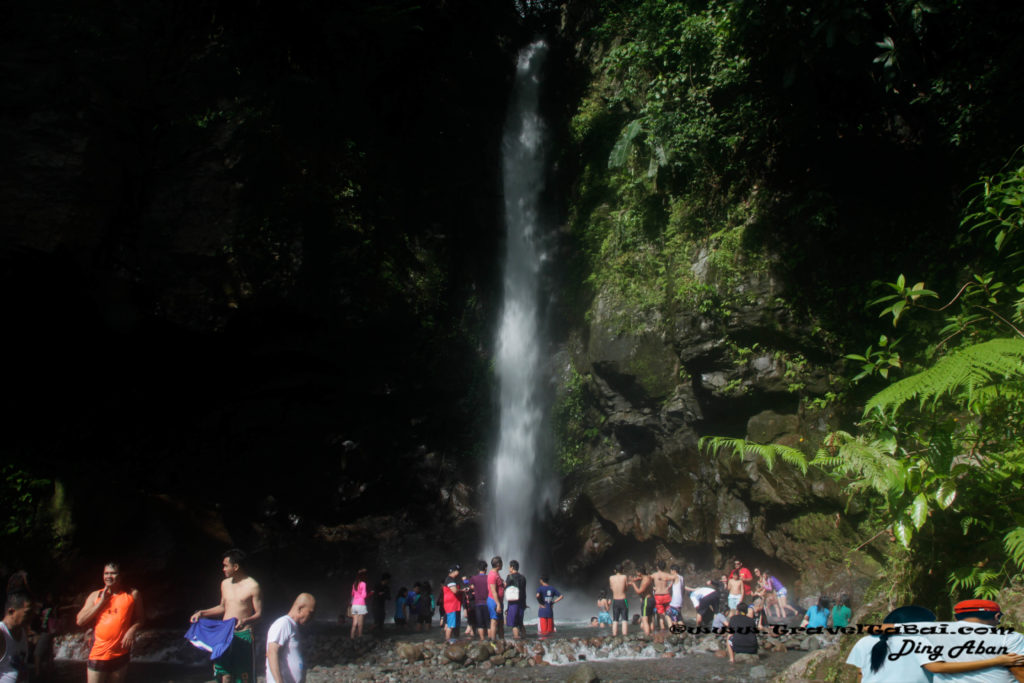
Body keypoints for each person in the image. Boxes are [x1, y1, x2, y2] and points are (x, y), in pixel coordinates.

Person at [845, 604, 1024, 683]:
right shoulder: (923, 639)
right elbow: (937, 668)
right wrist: (996, 661)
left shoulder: (865, 642)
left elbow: (862, 675)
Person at [190, 549, 263, 683]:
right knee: (224, 674)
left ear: (235, 567)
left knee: (243, 676)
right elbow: (222, 607)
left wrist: (246, 620)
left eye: (225, 565)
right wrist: (202, 613)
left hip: (243, 635)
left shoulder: (253, 586)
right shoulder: (225, 584)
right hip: (224, 634)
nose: (223, 569)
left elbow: (259, 614)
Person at [914, 599, 1024, 682]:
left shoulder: (930, 633)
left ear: (956, 617)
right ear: (996, 616)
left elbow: (935, 667)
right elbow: (1019, 672)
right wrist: (996, 661)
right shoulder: (1010, 637)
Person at [76, 563, 143, 683]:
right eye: (106, 573)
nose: (108, 576)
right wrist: (101, 603)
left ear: (120, 575)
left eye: (113, 573)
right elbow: (80, 621)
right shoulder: (95, 595)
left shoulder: (132, 594)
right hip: (98, 653)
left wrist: (132, 630)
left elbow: (141, 619)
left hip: (121, 652)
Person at [265, 593, 315, 683]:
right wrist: (279, 681)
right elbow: (272, 651)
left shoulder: (293, 627)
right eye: (310, 612)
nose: (311, 617)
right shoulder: (283, 623)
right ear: (300, 608)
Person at [1, 592, 31, 683]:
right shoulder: (1, 633)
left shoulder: (23, 631)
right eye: (27, 613)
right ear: (11, 612)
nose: (32, 616)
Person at [504, 560, 527, 640]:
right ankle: (524, 638)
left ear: (512, 567)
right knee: (520, 622)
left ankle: (516, 637)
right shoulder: (523, 577)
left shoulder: (509, 577)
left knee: (514, 623)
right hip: (521, 602)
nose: (509, 568)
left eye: (510, 567)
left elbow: (506, 589)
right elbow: (524, 591)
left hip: (513, 602)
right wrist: (525, 603)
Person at [630, 565, 654, 636]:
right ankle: (652, 634)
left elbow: (639, 591)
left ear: (639, 572)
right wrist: (636, 579)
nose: (636, 574)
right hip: (651, 599)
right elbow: (641, 577)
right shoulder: (648, 577)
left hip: (647, 600)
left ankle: (647, 636)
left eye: (637, 573)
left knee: (644, 619)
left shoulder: (645, 580)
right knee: (650, 619)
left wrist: (633, 584)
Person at [468, 561, 489, 641]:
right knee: (488, 623)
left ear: (478, 569)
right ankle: (490, 639)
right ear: (486, 568)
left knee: (480, 623)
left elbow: (471, 587)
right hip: (487, 602)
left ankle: (482, 639)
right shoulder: (488, 577)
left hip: (478, 603)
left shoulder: (474, 578)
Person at [651, 561, 674, 632]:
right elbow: (674, 578)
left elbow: (647, 580)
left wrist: (653, 588)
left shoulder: (654, 575)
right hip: (666, 595)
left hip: (658, 596)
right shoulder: (667, 575)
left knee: (661, 615)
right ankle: (671, 629)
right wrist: (669, 587)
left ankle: (663, 631)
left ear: (657, 567)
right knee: (668, 614)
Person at [441, 567, 463, 642]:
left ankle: (456, 640)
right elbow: (455, 591)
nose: (459, 572)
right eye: (457, 571)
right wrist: (462, 590)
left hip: (455, 606)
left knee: (456, 625)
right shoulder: (449, 580)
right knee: (450, 625)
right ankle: (447, 641)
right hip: (451, 606)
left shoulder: (451, 580)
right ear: (453, 571)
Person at [486, 557, 504, 640]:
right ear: (498, 564)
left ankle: (501, 640)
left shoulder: (496, 574)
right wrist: (498, 604)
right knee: (494, 621)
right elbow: (493, 591)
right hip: (494, 601)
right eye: (501, 563)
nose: (503, 564)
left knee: (500, 622)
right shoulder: (492, 575)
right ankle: (493, 641)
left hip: (498, 601)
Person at [609, 565, 629, 636]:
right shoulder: (624, 577)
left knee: (615, 619)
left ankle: (614, 634)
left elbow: (611, 588)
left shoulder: (611, 578)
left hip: (615, 600)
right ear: (622, 570)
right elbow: (626, 588)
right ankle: (625, 635)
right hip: (623, 600)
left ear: (615, 571)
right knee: (624, 619)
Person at [349, 569, 368, 638]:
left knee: (354, 622)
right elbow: (364, 595)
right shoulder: (363, 584)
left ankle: (352, 635)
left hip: (355, 604)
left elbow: (352, 594)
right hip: (361, 604)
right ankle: (360, 635)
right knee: (360, 622)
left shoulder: (354, 584)